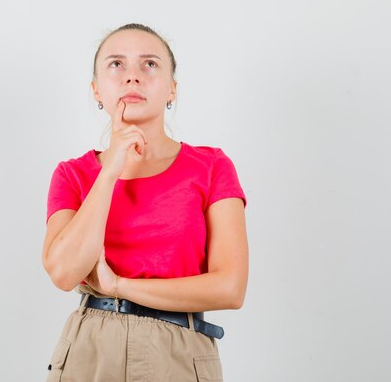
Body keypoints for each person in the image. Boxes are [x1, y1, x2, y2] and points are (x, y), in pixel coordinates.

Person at [42, 23, 248, 382]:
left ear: (172, 89)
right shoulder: (73, 174)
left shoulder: (212, 166)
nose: (132, 77)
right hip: (91, 348)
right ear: (96, 90)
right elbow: (63, 272)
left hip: (179, 350)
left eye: (149, 64)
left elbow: (230, 287)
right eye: (116, 64)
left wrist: (120, 286)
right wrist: (110, 172)